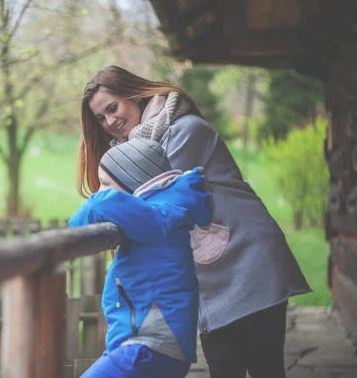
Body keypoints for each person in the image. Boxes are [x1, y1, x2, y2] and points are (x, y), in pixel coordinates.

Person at [77, 65, 312, 378]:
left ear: (135, 95)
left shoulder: (184, 130)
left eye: (112, 108)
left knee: (264, 368)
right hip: (212, 274)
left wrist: (106, 205)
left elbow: (148, 204)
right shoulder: (136, 150)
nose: (110, 122)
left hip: (248, 259)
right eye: (101, 119)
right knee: (224, 369)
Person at [69, 137, 212, 378]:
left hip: (151, 345)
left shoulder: (159, 217)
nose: (99, 191)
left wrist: (93, 205)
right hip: (151, 345)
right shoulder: (163, 211)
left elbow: (92, 214)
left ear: (133, 187)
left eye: (105, 183)